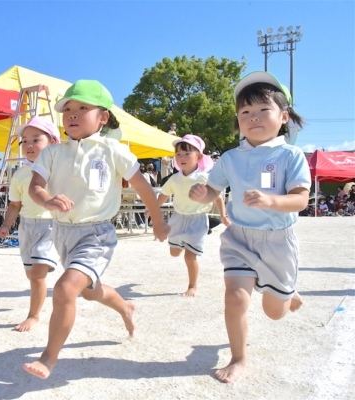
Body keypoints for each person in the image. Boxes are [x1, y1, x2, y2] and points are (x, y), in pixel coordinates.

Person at [24, 80, 170, 379]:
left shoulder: (113, 150)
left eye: (82, 108)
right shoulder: (51, 153)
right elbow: (35, 186)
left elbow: (143, 187)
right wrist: (47, 200)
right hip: (62, 232)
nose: (72, 114)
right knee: (90, 292)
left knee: (65, 289)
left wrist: (157, 220)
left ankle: (49, 357)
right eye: (67, 109)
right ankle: (126, 308)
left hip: (97, 235)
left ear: (103, 117)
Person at [189, 71, 310, 383]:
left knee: (274, 312)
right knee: (235, 297)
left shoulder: (291, 155)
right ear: (238, 120)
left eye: (263, 109)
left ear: (284, 117)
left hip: (278, 242)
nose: (253, 117)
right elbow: (214, 189)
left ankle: (288, 293)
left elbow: (300, 200)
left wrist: (271, 201)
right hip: (239, 238)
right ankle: (238, 358)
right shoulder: (230, 158)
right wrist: (204, 194)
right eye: (245, 112)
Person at [0, 116, 61, 332]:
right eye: (24, 141)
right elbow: (15, 204)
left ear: (52, 142)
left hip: (51, 226)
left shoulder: (60, 169)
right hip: (26, 227)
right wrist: (6, 225)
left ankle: (34, 316)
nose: (29, 145)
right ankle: (37, 301)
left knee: (38, 274)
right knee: (30, 274)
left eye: (36, 139)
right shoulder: (20, 174)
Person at [156, 135, 230, 297]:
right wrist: (153, 208)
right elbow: (164, 194)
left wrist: (223, 215)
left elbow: (218, 198)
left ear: (199, 157)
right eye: (178, 154)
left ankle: (192, 286)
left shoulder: (204, 177)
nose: (181, 157)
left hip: (197, 220)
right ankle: (183, 243)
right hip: (178, 218)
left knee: (190, 257)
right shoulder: (174, 178)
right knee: (174, 252)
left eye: (187, 153)